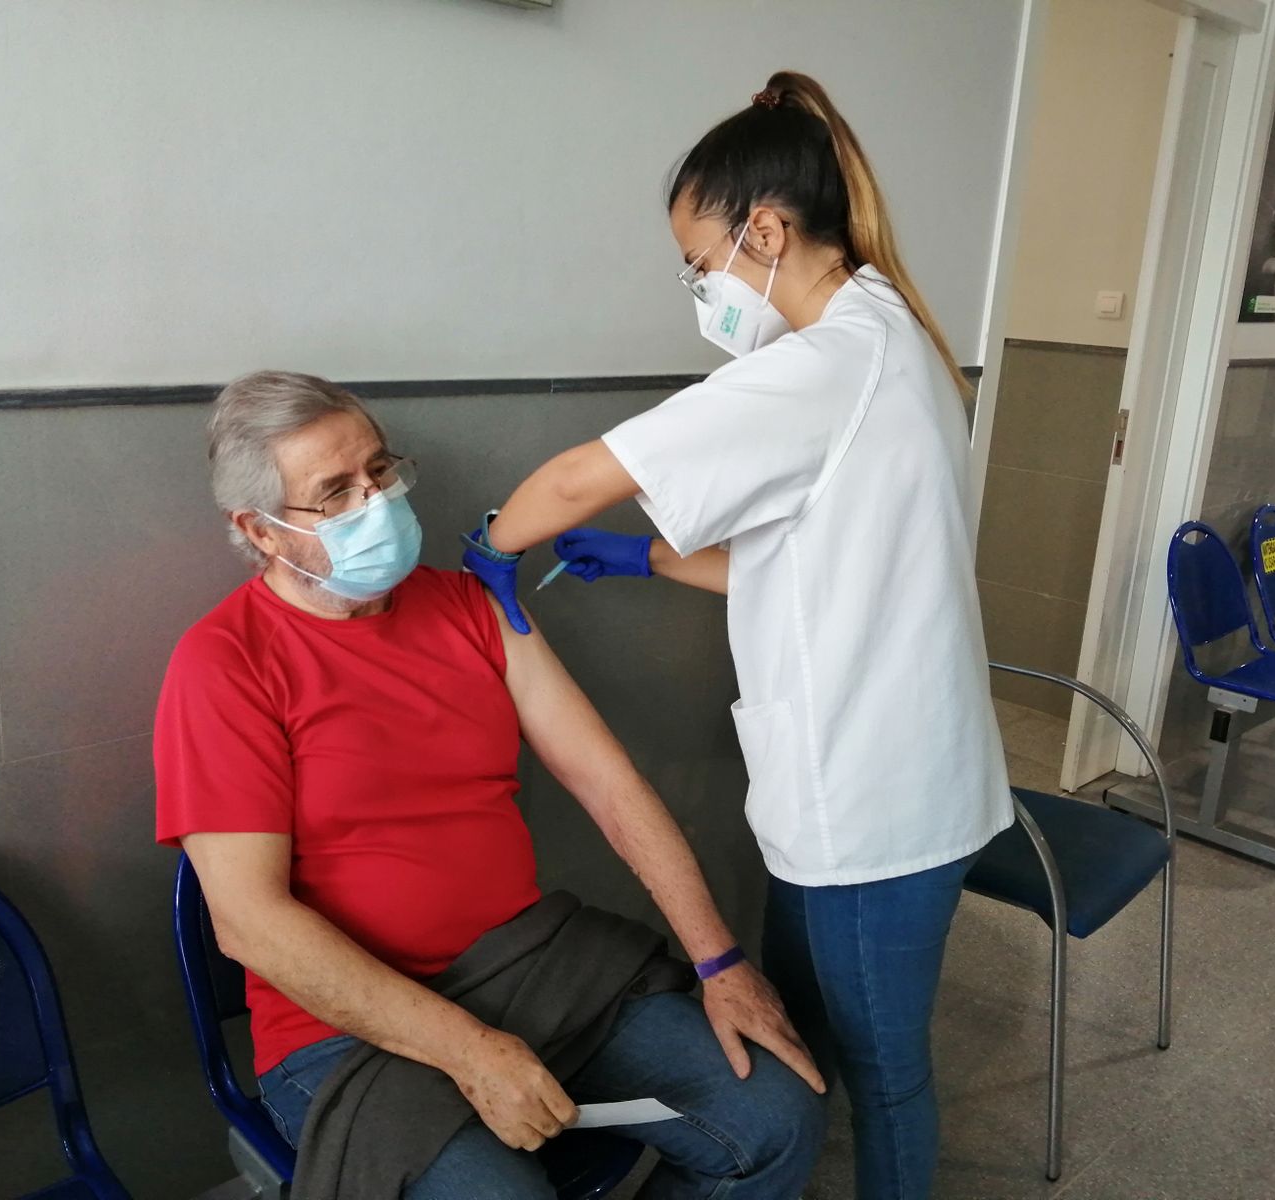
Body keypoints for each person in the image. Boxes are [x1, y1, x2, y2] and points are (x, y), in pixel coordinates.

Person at [460, 72, 1013, 1200]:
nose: (704, 290)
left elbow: (577, 477)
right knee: (822, 1038)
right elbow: (819, 557)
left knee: (883, 1074)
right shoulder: (891, 336)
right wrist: (651, 557)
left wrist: (488, 549)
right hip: (892, 778)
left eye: (702, 264)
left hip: (878, 802)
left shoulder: (819, 366)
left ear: (765, 229)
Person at [154, 370, 827, 1199]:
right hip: (348, 1030)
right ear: (259, 531)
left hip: (534, 968)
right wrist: (468, 1048)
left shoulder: (470, 606)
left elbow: (609, 784)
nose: (377, 502)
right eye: (335, 494)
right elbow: (251, 924)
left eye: (379, 471)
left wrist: (721, 960)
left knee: (778, 1115)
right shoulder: (225, 663)